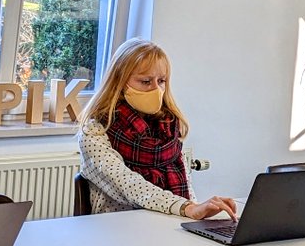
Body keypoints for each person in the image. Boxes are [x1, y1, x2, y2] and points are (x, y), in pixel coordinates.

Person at [77, 39, 237, 220]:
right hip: (117, 227)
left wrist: (199, 212)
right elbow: (128, 184)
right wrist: (186, 208)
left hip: (169, 223)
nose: (156, 89)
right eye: (146, 81)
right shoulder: (95, 130)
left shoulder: (168, 128)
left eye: (161, 81)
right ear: (119, 82)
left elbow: (186, 185)